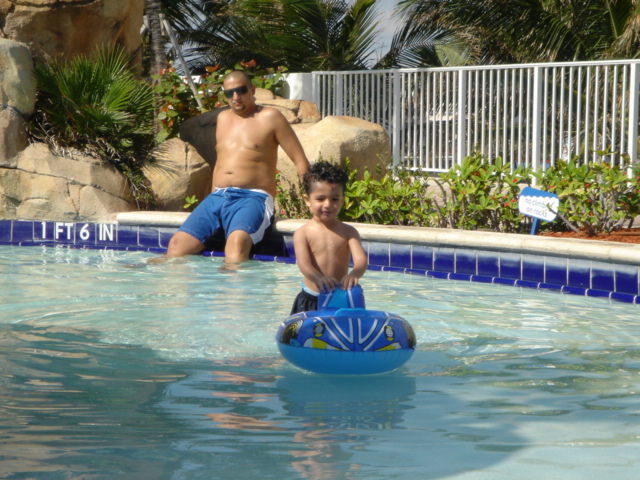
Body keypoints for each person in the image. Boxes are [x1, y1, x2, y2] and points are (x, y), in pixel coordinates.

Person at [164, 70, 310, 264]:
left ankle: (232, 285)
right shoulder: (223, 118)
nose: (235, 96)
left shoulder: (270, 117)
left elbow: (300, 161)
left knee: (237, 246)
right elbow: (221, 162)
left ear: (252, 90)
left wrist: (312, 202)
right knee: (177, 246)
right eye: (229, 93)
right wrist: (212, 197)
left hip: (253, 197)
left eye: (241, 90)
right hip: (218, 197)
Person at [290, 161, 368, 314]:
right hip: (312, 298)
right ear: (307, 200)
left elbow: (361, 260)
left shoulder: (349, 232)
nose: (328, 204)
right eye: (320, 199)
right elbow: (304, 264)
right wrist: (319, 278)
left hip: (339, 298)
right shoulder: (302, 233)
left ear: (342, 200)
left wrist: (354, 274)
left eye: (335, 199)